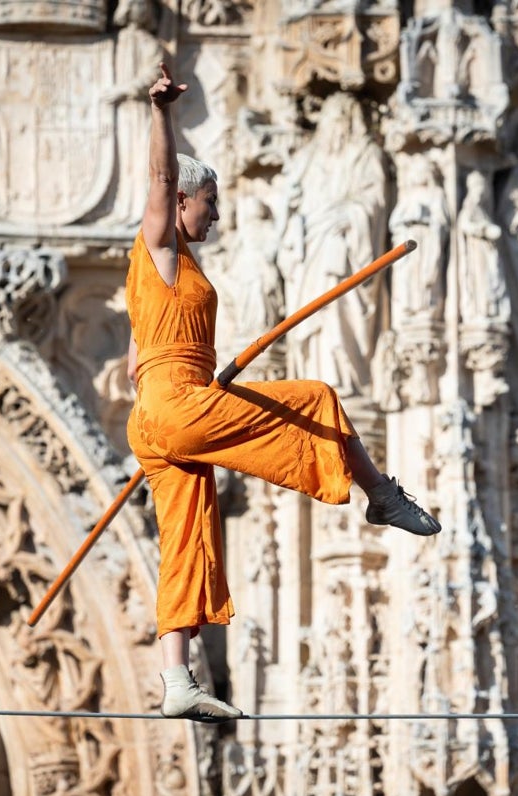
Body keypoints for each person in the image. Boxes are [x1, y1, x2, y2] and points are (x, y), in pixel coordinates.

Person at [125, 63, 441, 723]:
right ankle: (380, 495)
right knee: (314, 398)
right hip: (179, 408)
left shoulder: (153, 279)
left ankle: (175, 679)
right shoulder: (161, 249)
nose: (216, 212)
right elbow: (158, 179)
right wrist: (160, 113)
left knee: (187, 537)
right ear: (181, 204)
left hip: (157, 414)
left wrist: (183, 379)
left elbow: (137, 359)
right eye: (209, 201)